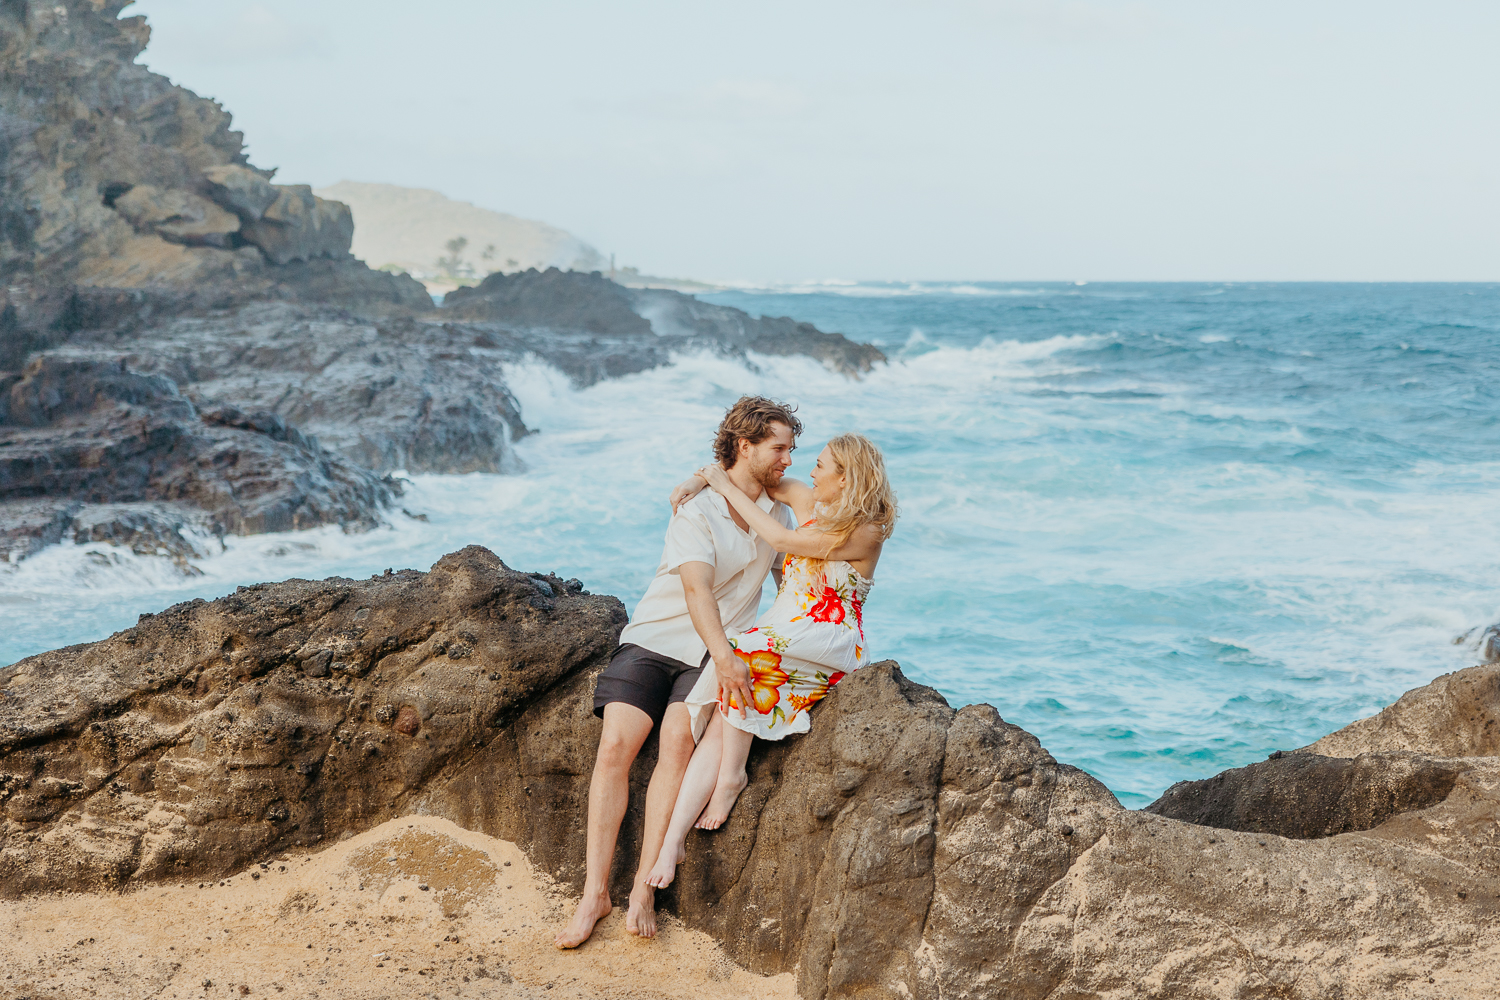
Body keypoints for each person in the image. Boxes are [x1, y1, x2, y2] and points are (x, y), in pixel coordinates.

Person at [554, 396, 802, 949]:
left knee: (675, 745)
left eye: (792, 447)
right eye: (779, 447)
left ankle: (644, 889)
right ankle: (594, 892)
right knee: (616, 745)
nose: (789, 458)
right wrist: (729, 659)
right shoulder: (698, 511)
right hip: (657, 638)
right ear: (746, 445)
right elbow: (696, 591)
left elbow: (796, 565)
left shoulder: (779, 514)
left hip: (716, 651)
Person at [644, 433, 898, 890]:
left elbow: (780, 537)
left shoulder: (866, 530)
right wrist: (699, 479)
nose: (808, 470)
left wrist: (720, 485)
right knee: (726, 710)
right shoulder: (811, 501)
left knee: (743, 655)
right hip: (784, 629)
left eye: (820, 465)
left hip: (826, 638)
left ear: (845, 478)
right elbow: (759, 480)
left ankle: (733, 777)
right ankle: (672, 843)